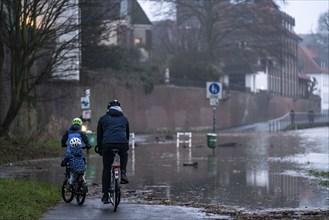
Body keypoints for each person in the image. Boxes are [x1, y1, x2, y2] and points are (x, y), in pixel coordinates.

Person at [97, 100, 130, 204]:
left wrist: (100, 148)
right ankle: (123, 173)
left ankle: (106, 196)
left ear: (108, 108)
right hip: (122, 143)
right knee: (124, 155)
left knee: (106, 169)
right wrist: (125, 146)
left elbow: (99, 136)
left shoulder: (103, 119)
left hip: (107, 144)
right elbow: (127, 134)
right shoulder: (124, 119)